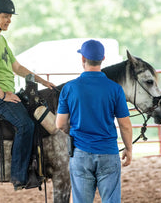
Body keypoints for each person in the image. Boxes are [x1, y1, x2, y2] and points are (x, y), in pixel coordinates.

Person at [0, 0, 55, 190]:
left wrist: (42, 80)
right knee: (25, 125)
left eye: (10, 17)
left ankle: (33, 165)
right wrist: (2, 94)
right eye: (5, 17)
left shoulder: (1, 40)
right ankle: (19, 176)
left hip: (4, 91)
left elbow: (17, 67)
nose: (9, 20)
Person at [56, 39, 133, 203]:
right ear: (103, 59)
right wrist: (128, 148)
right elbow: (125, 125)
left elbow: (60, 124)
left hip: (80, 153)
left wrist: (74, 133)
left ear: (83, 59)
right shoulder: (115, 89)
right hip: (109, 153)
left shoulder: (69, 88)